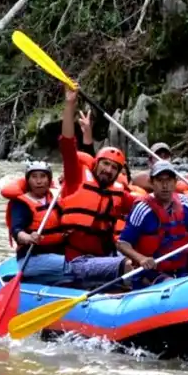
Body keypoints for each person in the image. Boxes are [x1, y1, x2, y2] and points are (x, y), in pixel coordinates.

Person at [57, 87, 135, 288]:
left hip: (105, 255)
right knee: (132, 264)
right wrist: (70, 105)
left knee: (144, 256)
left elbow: (147, 204)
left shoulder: (119, 193)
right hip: (77, 261)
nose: (108, 170)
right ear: (96, 164)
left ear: (118, 173)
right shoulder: (76, 179)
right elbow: (67, 144)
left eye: (114, 168)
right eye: (105, 164)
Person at [117, 161, 188, 288]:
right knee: (172, 285)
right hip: (150, 273)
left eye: (169, 180)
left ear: (175, 182)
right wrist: (141, 258)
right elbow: (122, 243)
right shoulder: (142, 209)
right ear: (151, 182)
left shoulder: (183, 204)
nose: (165, 185)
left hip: (179, 270)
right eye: (160, 180)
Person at [0, 161, 68, 285]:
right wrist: (28, 238)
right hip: (31, 258)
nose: (39, 181)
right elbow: (16, 231)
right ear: (28, 180)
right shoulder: (21, 203)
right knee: (76, 266)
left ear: (49, 179)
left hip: (57, 255)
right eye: (34, 177)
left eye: (43, 176)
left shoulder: (56, 198)